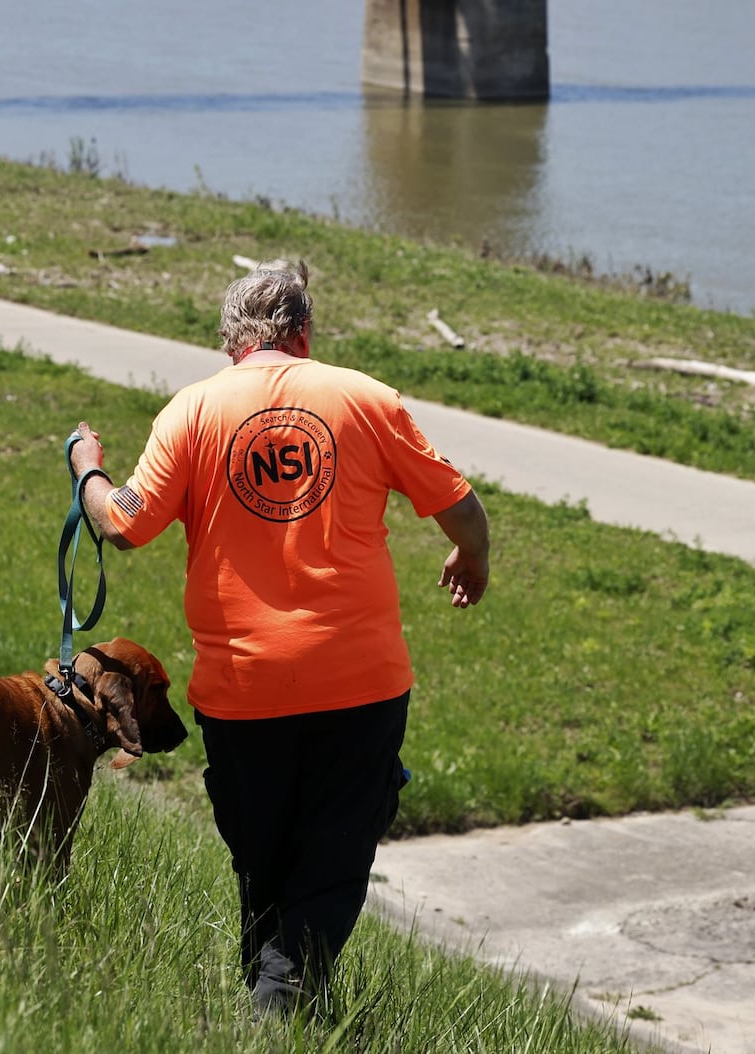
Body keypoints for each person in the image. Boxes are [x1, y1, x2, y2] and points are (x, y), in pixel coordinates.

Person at [69, 259, 490, 1015]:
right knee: (331, 854)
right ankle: (282, 1005)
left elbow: (124, 525)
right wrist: (473, 557)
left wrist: (86, 471)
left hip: (242, 694)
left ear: (232, 341)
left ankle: (273, 1003)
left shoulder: (192, 411)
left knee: (262, 855)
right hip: (359, 684)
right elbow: (462, 509)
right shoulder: (366, 399)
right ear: (304, 332)